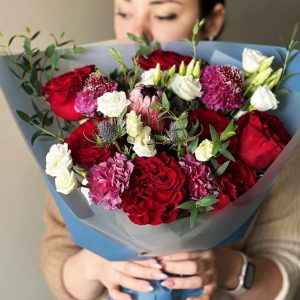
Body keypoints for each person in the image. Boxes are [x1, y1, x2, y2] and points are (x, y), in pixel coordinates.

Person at [41, 1, 300, 300]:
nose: (136, 31)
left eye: (164, 14)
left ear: (213, 21)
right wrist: (96, 266)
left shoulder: (261, 129)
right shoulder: (91, 114)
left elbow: (290, 265)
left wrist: (227, 269)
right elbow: (56, 252)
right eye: (124, 12)